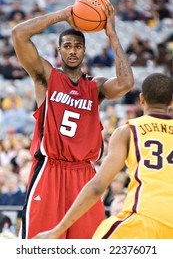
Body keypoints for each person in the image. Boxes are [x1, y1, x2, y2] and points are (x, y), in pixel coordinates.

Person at [12, 0, 134, 239]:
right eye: (67, 46)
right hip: (50, 170)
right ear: (59, 50)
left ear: (84, 50)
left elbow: (126, 83)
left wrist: (112, 35)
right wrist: (64, 14)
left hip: (84, 174)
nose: (72, 50)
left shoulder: (95, 87)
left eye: (77, 46)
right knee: (39, 246)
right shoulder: (46, 77)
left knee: (87, 246)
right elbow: (19, 33)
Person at [33, 73, 173, 239]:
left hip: (144, 219)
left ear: (141, 99)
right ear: (171, 101)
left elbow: (97, 187)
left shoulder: (128, 131)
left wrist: (56, 231)